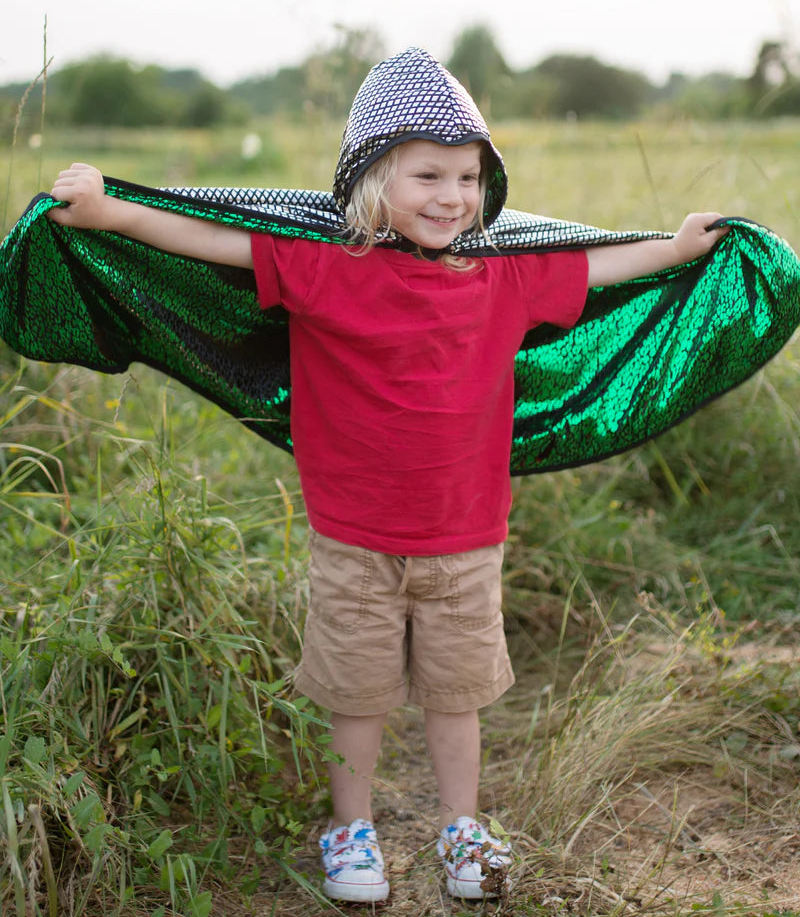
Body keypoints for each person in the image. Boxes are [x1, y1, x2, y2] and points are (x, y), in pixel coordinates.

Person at [47, 47, 727, 903]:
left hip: (465, 541)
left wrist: (675, 246)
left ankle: (462, 828)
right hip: (354, 541)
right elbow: (213, 237)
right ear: (372, 179)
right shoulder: (322, 265)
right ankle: (352, 828)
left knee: (456, 697)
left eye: (469, 177)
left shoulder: (505, 273)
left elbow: (598, 265)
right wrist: (109, 211)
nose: (452, 196)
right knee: (358, 697)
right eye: (428, 176)